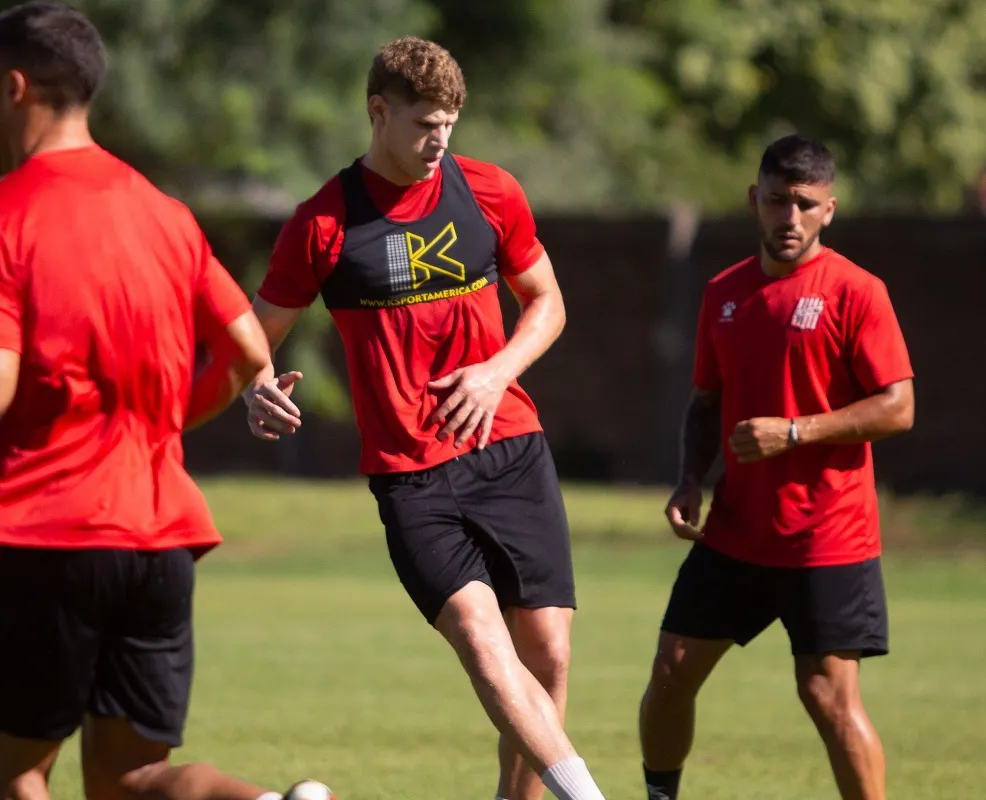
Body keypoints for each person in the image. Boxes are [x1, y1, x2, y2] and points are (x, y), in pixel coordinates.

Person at [242, 36, 605, 800]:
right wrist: (255, 387)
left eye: (450, 123)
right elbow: (251, 336)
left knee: (549, 654)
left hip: (509, 448)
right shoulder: (322, 223)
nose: (440, 140)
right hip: (412, 478)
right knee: (481, 640)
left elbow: (548, 301)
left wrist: (499, 369)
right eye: (423, 123)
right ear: (379, 111)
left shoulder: (490, 192)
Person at [0, 4, 331, 799]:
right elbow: (249, 348)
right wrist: (165, 421)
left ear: (14, 88)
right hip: (158, 540)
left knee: (16, 774)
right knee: (129, 782)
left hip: (46, 534)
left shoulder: (10, 213)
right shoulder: (165, 214)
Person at [638, 134, 916, 800]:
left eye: (804, 204)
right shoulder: (724, 294)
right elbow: (706, 402)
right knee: (673, 672)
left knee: (825, 694)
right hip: (738, 531)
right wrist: (688, 479)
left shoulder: (858, 292)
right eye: (774, 201)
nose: (787, 218)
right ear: (752, 201)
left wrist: (797, 431)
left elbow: (898, 407)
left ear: (829, 209)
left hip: (828, 536)